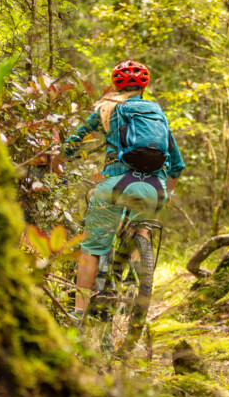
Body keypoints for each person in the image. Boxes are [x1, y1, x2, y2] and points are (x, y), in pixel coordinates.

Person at [52, 60, 185, 320]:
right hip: (154, 189)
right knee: (141, 225)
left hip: (116, 185)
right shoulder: (157, 112)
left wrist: (57, 164)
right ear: (144, 87)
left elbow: (73, 142)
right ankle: (140, 275)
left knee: (91, 249)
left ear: (115, 85)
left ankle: (77, 313)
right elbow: (177, 165)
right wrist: (166, 193)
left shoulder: (107, 108)